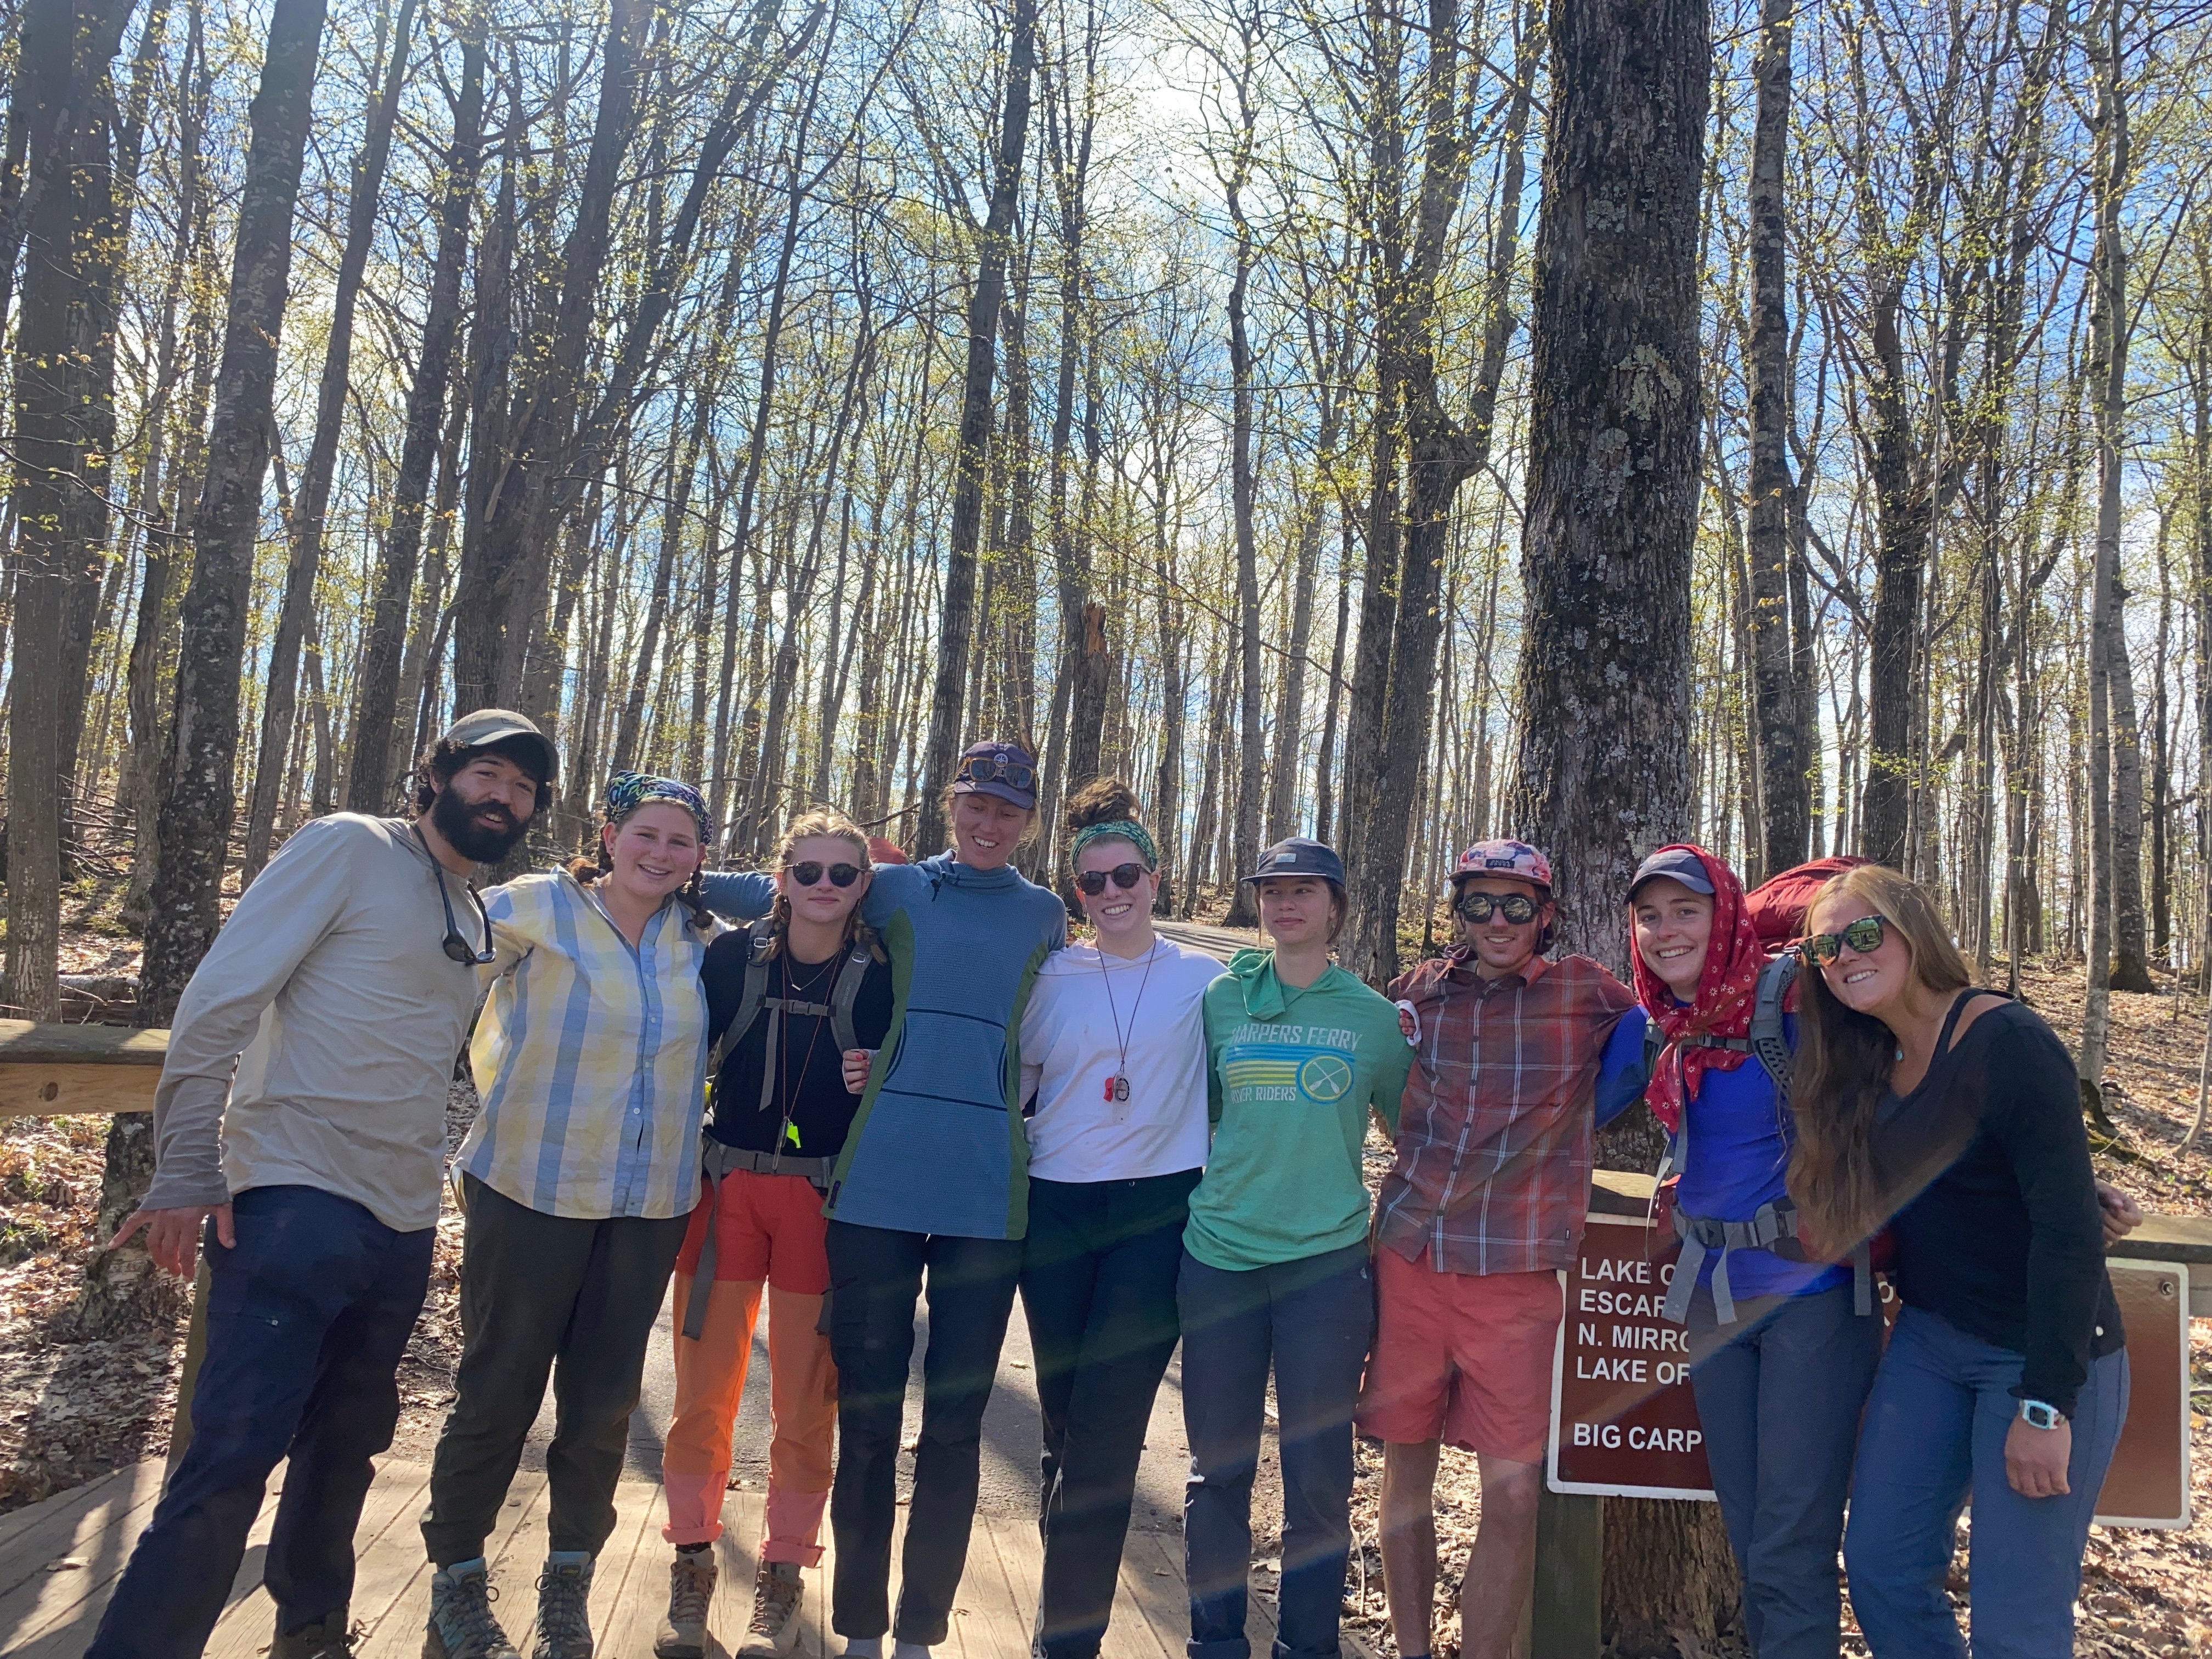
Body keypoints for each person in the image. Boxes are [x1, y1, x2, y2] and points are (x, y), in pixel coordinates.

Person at [84, 710, 556, 1659]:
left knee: (346, 1450)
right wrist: (185, 1165)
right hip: (294, 1194)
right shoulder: (346, 847)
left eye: (523, 788)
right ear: (438, 776)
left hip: (401, 1217)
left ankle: (310, 1632)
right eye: (488, 775)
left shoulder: (471, 913)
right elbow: (220, 1001)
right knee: (232, 1456)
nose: (503, 798)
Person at [701, 737, 1066, 1659]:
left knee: (954, 1425)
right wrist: (664, 873)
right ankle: (860, 1628)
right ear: (951, 803)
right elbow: (775, 890)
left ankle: (920, 1633)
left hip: (988, 1193)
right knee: (865, 1414)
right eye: (976, 804)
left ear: (1030, 822)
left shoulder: (1046, 914)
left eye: (1010, 811)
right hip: (876, 1187)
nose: (989, 823)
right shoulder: (896, 887)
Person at [1789, 863, 2128, 1659]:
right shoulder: (1867, 1061)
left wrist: (2045, 1407)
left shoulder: (2005, 1039)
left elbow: (2067, 1232)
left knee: (2017, 1617)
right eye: (1826, 948)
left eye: (1864, 934)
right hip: (1933, 1344)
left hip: (2040, 1356)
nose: (1844, 956)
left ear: (1915, 933)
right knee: (1881, 1566)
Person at [420, 773, 718, 1659]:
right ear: (609, 831)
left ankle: (568, 1586)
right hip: (531, 1191)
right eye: (646, 834)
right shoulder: (529, 907)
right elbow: (421, 958)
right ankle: (456, 1582)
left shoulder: (701, 939)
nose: (660, 854)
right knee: (498, 1389)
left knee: (601, 1409)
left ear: (701, 857)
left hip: (649, 1204)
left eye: (681, 842)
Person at [1358, 839, 1639, 1659]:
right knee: (1404, 1482)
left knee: (1513, 1498)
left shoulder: (1588, 994)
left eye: (1517, 905)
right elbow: (1386, 1095)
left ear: (1546, 915)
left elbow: (1671, 1027)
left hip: (1518, 1278)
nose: (1498, 921)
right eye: (1479, 903)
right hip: (1411, 1258)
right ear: (1459, 914)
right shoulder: (1415, 997)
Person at [1617, 844, 1880, 1659]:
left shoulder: (1794, 1000)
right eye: (1650, 915)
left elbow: (1918, 1068)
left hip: (1810, 1297)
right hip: (1712, 1301)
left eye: (1686, 911)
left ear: (1724, 912)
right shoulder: (1669, 1021)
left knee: (1791, 1547)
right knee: (1749, 1532)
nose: (1666, 932)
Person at [655, 809, 893, 1659]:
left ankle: (784, 1576)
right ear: (780, 877)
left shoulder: (881, 977)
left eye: (842, 874)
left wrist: (877, 1077)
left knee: (804, 1402)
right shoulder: (729, 957)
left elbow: (909, 1080)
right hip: (722, 1199)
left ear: (864, 885)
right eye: (808, 871)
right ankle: (690, 1568)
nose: (823, 887)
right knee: (702, 1394)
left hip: (819, 1209)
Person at [1181, 836, 1411, 1659]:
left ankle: (1307, 1646)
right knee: (1219, 1472)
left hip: (1326, 1267)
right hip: (1219, 1259)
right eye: (1272, 891)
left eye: (1304, 891)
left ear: (1335, 908)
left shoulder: (1377, 1021)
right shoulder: (1221, 1002)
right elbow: (1198, 1115)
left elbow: (1412, 1132)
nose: (1286, 904)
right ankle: (1216, 1643)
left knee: (1319, 1479)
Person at [1014, 779, 1221, 1659]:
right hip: (1055, 1211)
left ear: (1156, 876)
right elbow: (1013, 1089)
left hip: (1157, 1214)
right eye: (1092, 882)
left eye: (1125, 873)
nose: (1112, 893)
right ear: (1075, 893)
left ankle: (1066, 1640)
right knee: (1064, 1421)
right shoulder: (1049, 977)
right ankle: (1073, 1548)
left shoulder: (1208, 980)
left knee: (1105, 1430)